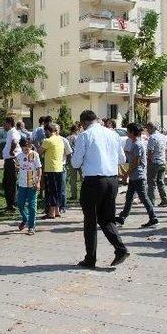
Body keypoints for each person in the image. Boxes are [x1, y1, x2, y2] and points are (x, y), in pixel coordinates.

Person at [71, 110, 129, 268]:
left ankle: (90, 258)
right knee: (107, 219)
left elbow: (75, 163)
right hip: (112, 180)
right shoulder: (112, 134)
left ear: (83, 122)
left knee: (90, 221)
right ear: (96, 119)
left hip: (94, 181)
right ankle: (120, 248)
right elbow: (122, 159)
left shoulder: (85, 135)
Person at [116, 123, 158, 228]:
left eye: (128, 131)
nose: (127, 133)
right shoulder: (134, 143)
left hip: (138, 176)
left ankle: (153, 217)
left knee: (143, 197)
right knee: (129, 197)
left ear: (132, 132)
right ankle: (122, 217)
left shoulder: (137, 145)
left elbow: (135, 162)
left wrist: (126, 174)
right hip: (135, 176)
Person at [15, 138, 42, 235]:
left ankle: (31, 227)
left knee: (32, 205)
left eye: (28, 146)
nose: (26, 148)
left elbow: (39, 169)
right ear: (21, 147)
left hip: (32, 184)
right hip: (22, 184)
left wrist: (38, 181)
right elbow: (17, 167)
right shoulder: (19, 156)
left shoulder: (35, 155)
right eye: (24, 146)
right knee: (20, 204)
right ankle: (25, 218)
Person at [39, 123, 65, 219]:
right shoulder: (60, 139)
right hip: (59, 167)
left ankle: (51, 212)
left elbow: (39, 152)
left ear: (48, 131)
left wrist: (36, 144)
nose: (44, 133)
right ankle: (57, 210)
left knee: (51, 191)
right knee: (58, 190)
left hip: (51, 168)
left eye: (45, 131)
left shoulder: (48, 141)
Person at [146, 122, 167, 207]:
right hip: (162, 161)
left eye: (148, 129)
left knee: (151, 183)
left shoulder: (152, 137)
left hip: (154, 162)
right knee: (160, 182)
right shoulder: (163, 136)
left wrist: (148, 161)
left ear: (151, 128)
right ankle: (164, 200)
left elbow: (150, 151)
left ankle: (151, 202)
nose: (147, 131)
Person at [2, 116, 21, 211]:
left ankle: (13, 204)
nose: (3, 126)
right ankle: (10, 203)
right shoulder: (10, 132)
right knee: (7, 182)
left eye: (4, 124)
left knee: (11, 183)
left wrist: (11, 151)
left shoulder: (13, 132)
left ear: (9, 124)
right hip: (9, 160)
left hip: (12, 160)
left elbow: (14, 141)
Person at [59, 127, 73, 214]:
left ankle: (63, 206)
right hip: (50, 167)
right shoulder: (48, 140)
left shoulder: (64, 140)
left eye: (56, 130)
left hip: (62, 166)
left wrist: (67, 164)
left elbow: (69, 153)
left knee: (62, 187)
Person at [67, 124, 82, 201]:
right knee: (83, 178)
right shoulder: (80, 137)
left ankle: (74, 195)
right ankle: (83, 194)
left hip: (71, 159)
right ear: (77, 130)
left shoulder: (68, 138)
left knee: (73, 179)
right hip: (80, 159)